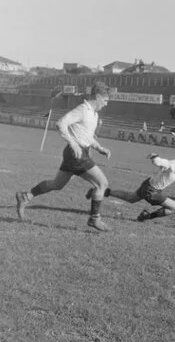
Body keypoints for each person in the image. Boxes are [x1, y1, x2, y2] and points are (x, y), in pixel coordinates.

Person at [15, 82, 113, 231]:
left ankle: (25, 196)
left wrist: (99, 147)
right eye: (105, 100)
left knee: (57, 185)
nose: (106, 104)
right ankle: (94, 219)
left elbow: (87, 135)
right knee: (102, 183)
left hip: (78, 152)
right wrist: (73, 144)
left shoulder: (94, 114)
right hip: (76, 153)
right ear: (98, 97)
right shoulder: (82, 109)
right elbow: (61, 123)